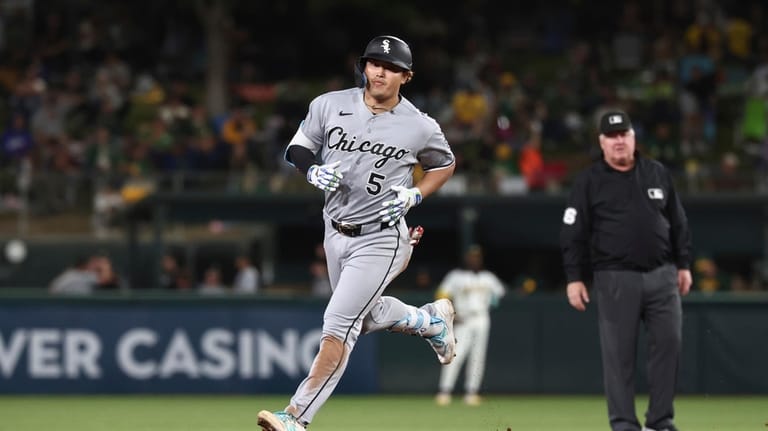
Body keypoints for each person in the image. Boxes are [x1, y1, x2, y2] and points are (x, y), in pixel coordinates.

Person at [257, 35, 457, 431]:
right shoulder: (329, 104)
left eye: (392, 67)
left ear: (407, 76)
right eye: (373, 63)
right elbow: (298, 147)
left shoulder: (419, 126)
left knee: (338, 324)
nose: (380, 71)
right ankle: (429, 321)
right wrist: (311, 169)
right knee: (362, 317)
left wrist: (416, 194)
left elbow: (445, 164)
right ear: (364, 66)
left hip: (382, 237)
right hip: (335, 231)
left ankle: (296, 417)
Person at [559, 110, 693, 431]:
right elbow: (572, 233)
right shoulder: (589, 181)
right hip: (615, 277)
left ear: (633, 138)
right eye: (612, 136)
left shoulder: (657, 173)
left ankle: (660, 422)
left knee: (669, 347)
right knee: (618, 356)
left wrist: (684, 264)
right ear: (602, 142)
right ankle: (623, 425)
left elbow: (678, 222)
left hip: (663, 275)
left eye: (624, 134)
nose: (619, 141)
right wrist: (575, 277)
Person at [434, 244, 506, 407]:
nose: (474, 259)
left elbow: (499, 294)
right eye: (471, 256)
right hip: (463, 319)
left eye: (477, 257)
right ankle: (444, 391)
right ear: (466, 258)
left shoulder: (488, 277)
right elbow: (441, 294)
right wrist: (451, 313)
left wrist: (491, 302)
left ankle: (472, 392)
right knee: (454, 355)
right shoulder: (455, 276)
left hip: (481, 318)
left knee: (478, 357)